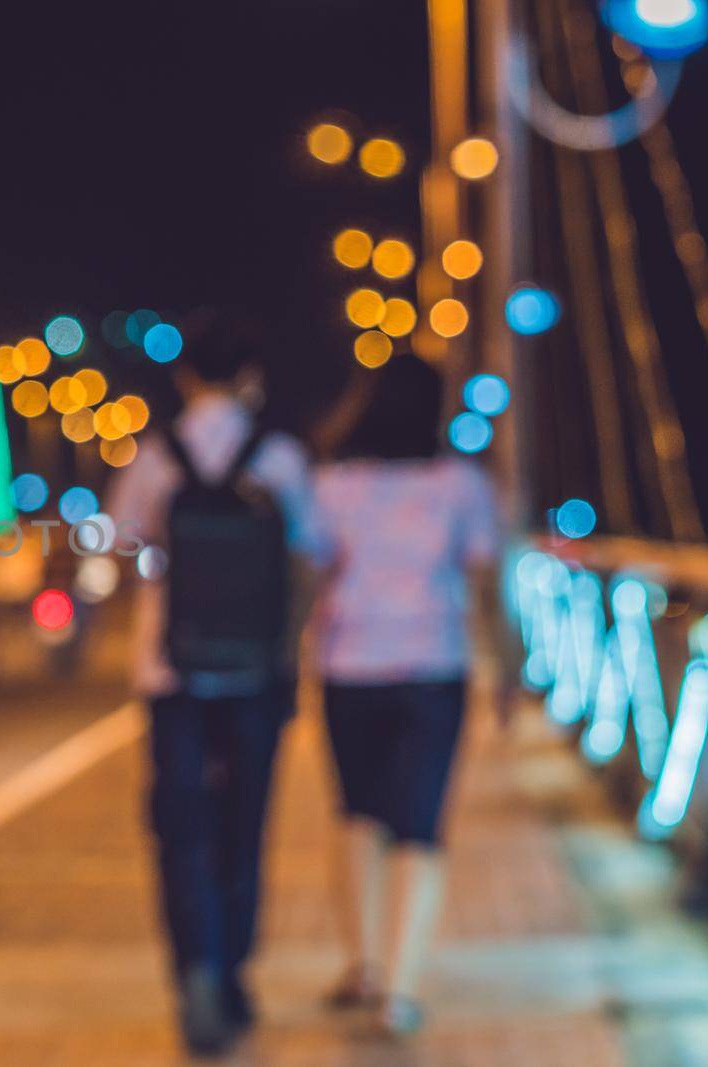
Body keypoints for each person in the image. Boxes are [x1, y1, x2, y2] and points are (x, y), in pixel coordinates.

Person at [107, 318, 323, 1057]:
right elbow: (313, 550)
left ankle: (192, 968)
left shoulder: (154, 456)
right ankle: (233, 969)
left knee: (180, 830)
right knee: (244, 824)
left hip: (171, 670)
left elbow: (121, 541)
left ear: (185, 378)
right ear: (252, 378)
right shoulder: (282, 458)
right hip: (258, 671)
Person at [311, 354, 513, 1035]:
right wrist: (507, 666)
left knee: (357, 812)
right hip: (434, 665)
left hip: (349, 665)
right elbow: (485, 579)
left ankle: (363, 963)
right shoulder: (460, 484)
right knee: (420, 825)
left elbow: (310, 572)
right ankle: (399, 989)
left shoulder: (334, 484)